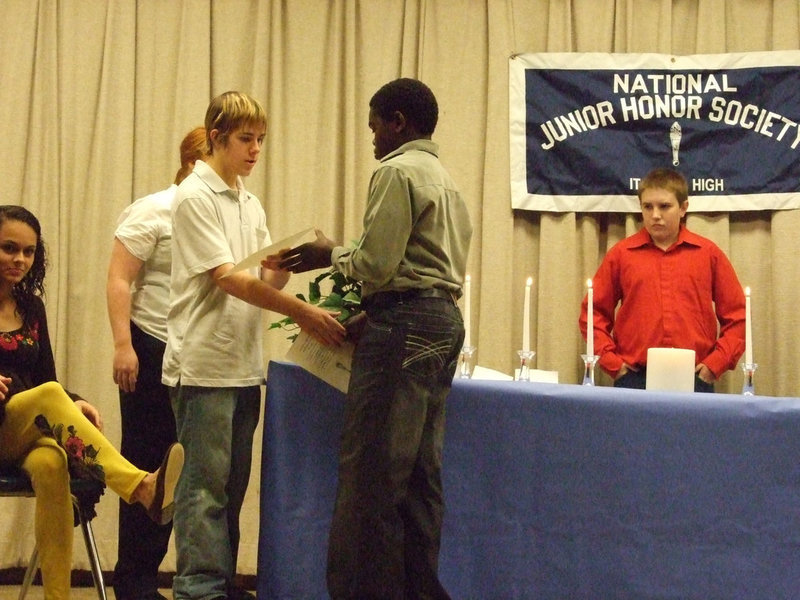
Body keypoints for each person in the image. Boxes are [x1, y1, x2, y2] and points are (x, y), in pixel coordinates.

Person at [279, 78, 472, 600]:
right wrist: (378, 308)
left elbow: (376, 263)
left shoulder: (396, 171)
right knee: (419, 481)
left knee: (371, 479)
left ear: (397, 123)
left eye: (373, 128)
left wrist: (330, 253)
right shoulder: (447, 180)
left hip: (404, 327)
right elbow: (426, 270)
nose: (371, 140)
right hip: (442, 322)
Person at [163, 91, 346, 600]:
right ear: (217, 137)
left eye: (261, 140)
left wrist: (285, 264)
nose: (256, 150)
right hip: (203, 365)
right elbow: (227, 279)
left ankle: (216, 584)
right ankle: (198, 590)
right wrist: (305, 314)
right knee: (203, 491)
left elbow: (263, 279)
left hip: (243, 364)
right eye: (247, 139)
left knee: (231, 490)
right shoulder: (195, 195)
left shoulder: (248, 201)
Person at [0, 204, 184, 600]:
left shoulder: (32, 308)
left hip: (21, 434)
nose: (19, 259)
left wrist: (73, 403)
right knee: (50, 400)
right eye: (9, 248)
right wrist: (54, 399)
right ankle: (140, 486)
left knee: (52, 463)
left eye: (28, 252)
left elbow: (45, 381)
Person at [106, 127, 206, 600]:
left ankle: (161, 576)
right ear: (190, 162)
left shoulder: (218, 214)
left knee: (177, 471)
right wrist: (123, 345)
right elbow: (120, 279)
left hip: (196, 355)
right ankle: (134, 581)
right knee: (145, 463)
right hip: (149, 345)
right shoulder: (154, 209)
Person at [579, 167, 746, 392]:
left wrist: (713, 366)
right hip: (634, 378)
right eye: (648, 207)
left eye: (664, 206)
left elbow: (738, 318)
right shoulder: (621, 255)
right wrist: (614, 364)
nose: (655, 215)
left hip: (695, 378)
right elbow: (592, 315)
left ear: (683, 208)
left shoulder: (708, 254)